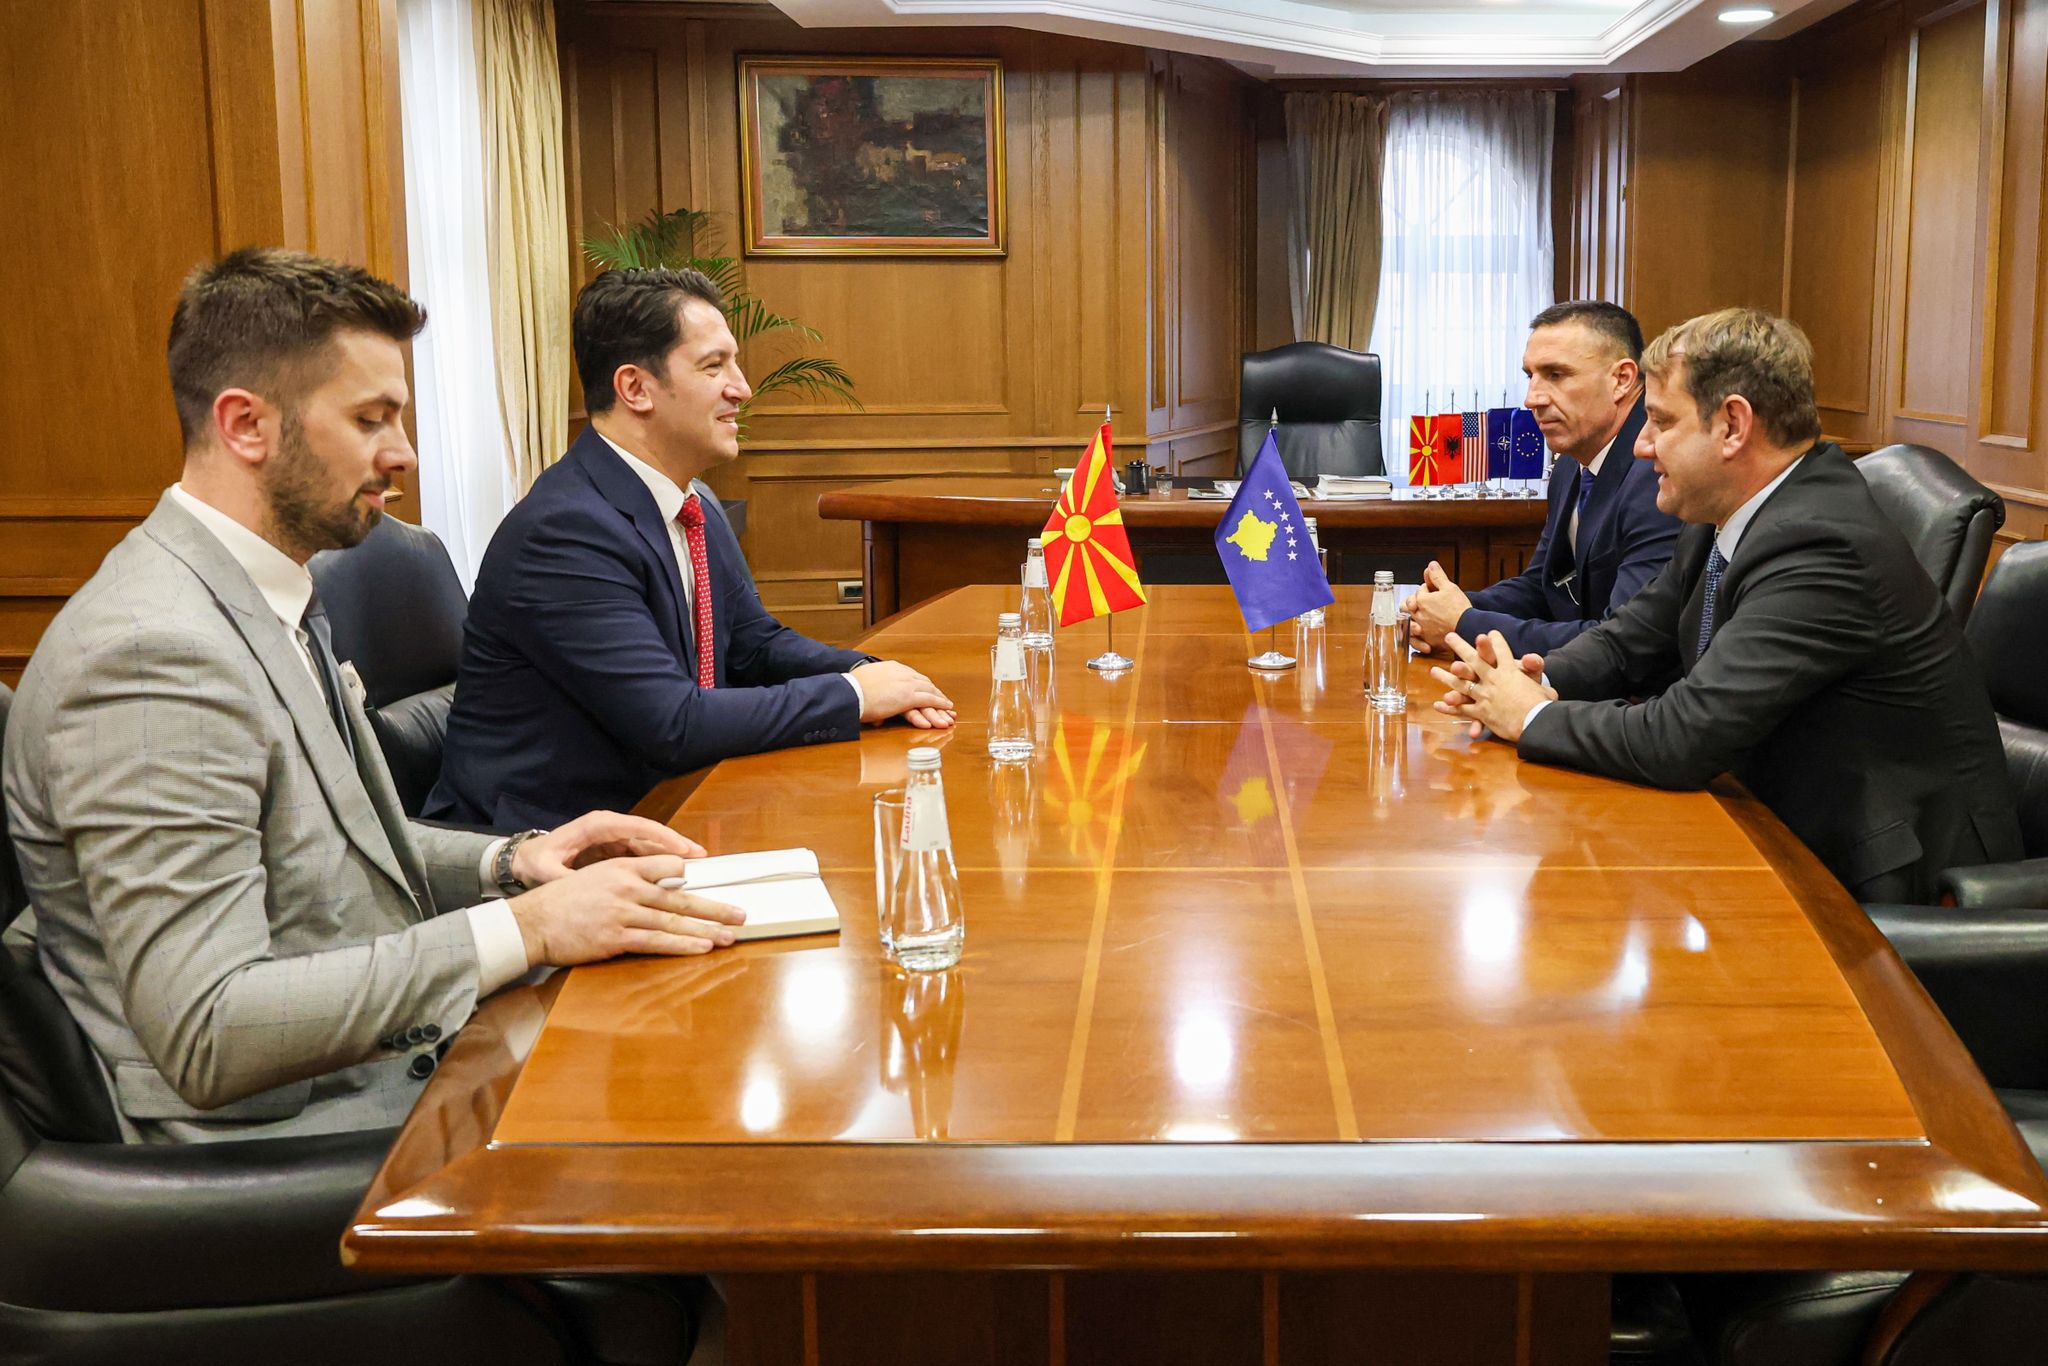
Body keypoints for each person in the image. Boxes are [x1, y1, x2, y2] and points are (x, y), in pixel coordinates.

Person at [3, 249, 746, 1143]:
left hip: (382, 1069)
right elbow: (211, 1029)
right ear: (245, 425)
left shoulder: (265, 593)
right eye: (371, 420)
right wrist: (528, 930)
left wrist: (513, 862)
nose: (404, 454)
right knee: (686, 1116)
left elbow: (328, 848)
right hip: (290, 1146)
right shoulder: (152, 657)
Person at [1431, 307, 2020, 902]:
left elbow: (1684, 735)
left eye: (1661, 421)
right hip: (1773, 822)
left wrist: (1531, 717)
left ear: (1733, 426)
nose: (1642, 445)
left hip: (1884, 879)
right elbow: (1629, 640)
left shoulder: (1820, 543)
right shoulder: (1726, 513)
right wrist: (1529, 679)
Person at [427, 267, 956, 830]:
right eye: (713, 366)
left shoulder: (691, 500)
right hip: (552, 839)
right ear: (636, 388)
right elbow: (672, 723)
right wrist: (853, 696)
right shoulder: (565, 531)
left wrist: (876, 674)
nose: (742, 388)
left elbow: (753, 646)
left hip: (669, 809)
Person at [1405, 301, 1680, 657]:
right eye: (1530, 376)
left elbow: (1625, 642)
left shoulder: (1657, 474)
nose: (1531, 398)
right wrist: (1447, 607)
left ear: (1622, 379)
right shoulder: (1569, 465)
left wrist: (1464, 623)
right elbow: (1542, 588)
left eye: (1556, 375)